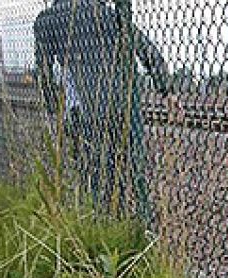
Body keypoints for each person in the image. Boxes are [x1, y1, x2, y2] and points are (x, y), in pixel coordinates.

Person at [32, 0, 169, 221]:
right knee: (129, 166)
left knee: (93, 172)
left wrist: (54, 110)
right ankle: (138, 218)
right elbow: (145, 49)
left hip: (83, 111)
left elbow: (44, 73)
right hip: (120, 105)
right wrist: (166, 88)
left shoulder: (47, 20)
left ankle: (104, 220)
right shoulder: (110, 14)